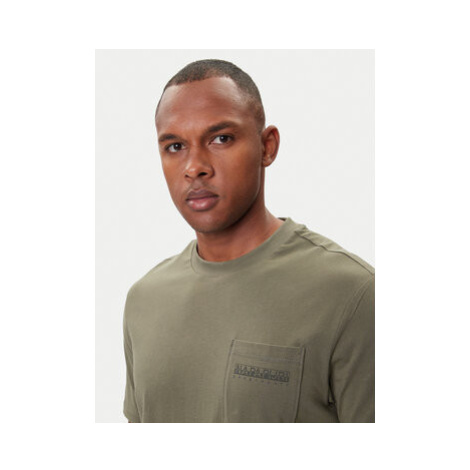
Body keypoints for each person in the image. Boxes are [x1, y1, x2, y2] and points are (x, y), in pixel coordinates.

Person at [123, 59, 374, 423]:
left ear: (267, 146)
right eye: (175, 146)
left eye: (221, 139)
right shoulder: (145, 300)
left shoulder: (352, 294)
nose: (194, 167)